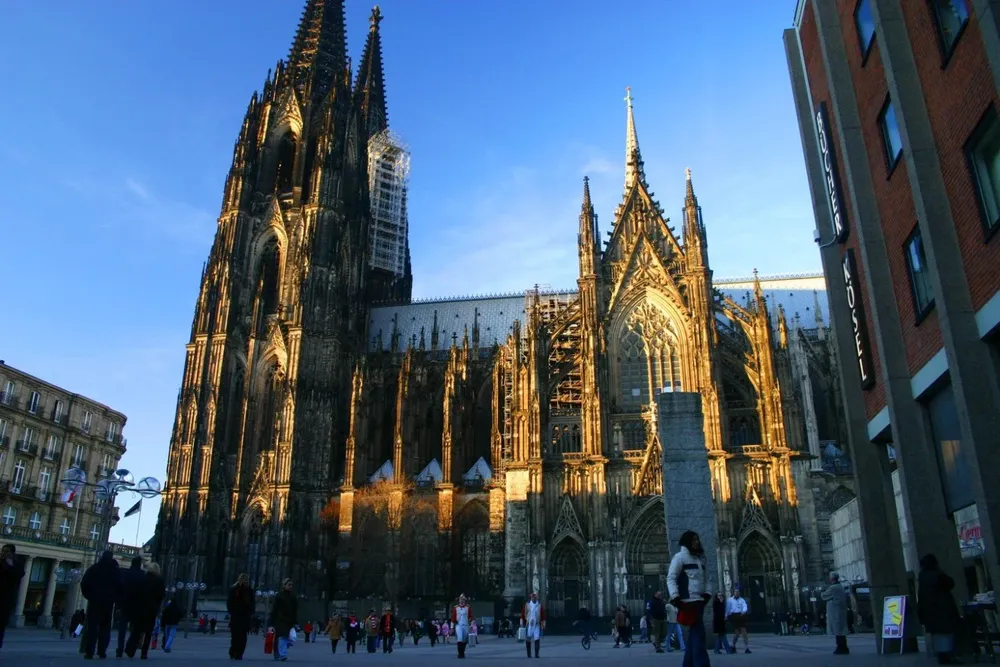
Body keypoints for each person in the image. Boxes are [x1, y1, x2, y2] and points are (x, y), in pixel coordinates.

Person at [667, 530, 712, 667]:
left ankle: (688, 664)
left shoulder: (700, 559)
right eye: (693, 540)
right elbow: (671, 578)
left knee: (694, 635)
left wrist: (708, 594)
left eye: (697, 539)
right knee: (699, 635)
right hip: (688, 602)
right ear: (687, 542)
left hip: (699, 601)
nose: (697, 542)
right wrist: (675, 597)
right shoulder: (679, 557)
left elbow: (708, 578)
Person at [917, 554, 962, 665]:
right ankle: (950, 656)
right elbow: (950, 583)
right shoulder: (939, 575)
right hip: (943, 609)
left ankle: (942, 656)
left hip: (930, 612)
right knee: (948, 633)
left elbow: (922, 596)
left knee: (937, 634)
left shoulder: (922, 577)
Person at [81, 550, 123, 660]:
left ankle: (89, 651)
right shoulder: (115, 571)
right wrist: (115, 599)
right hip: (108, 603)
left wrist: (89, 596)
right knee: (105, 627)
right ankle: (102, 651)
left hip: (94, 601)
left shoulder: (94, 569)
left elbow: (84, 583)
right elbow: (120, 587)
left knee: (92, 627)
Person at [125, 562, 165, 659]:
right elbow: (161, 595)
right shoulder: (159, 580)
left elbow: (135, 593)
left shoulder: (142, 579)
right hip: (151, 609)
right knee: (148, 632)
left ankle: (130, 650)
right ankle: (144, 653)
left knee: (137, 630)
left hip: (139, 608)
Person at [116, 556, 146, 658]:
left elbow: (120, 588)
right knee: (135, 629)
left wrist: (119, 604)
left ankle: (120, 649)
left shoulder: (126, 574)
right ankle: (130, 649)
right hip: (137, 606)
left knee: (122, 629)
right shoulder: (142, 575)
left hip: (125, 604)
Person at [0, 544, 24, 650]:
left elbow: (18, 576)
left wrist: (10, 566)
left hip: (5, 600)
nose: (3, 553)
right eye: (2, 551)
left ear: (12, 553)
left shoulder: (16, 565)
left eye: (6, 551)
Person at [268, 578, 298, 661]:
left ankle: (279, 652)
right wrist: (271, 621)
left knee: (290, 638)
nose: (290, 586)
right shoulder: (279, 596)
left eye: (291, 585)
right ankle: (282, 654)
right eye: (289, 585)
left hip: (290, 620)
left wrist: (295, 621)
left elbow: (295, 609)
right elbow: (275, 609)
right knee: (282, 637)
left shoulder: (293, 596)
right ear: (284, 585)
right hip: (280, 620)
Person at [227, 573, 256, 660]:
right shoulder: (234, 589)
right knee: (235, 636)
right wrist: (231, 611)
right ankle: (233, 651)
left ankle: (239, 653)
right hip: (236, 615)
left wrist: (251, 611)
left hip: (245, 616)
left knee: (243, 636)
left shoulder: (249, 590)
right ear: (239, 579)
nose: (244, 581)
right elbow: (230, 602)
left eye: (246, 579)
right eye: (242, 579)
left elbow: (252, 602)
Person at [820, 572, 849, 655]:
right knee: (841, 630)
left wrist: (821, 591)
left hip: (836, 612)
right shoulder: (840, 586)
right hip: (839, 611)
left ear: (832, 579)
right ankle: (843, 647)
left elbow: (824, 596)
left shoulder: (833, 587)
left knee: (838, 630)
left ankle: (841, 647)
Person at [726, 586, 750, 654]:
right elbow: (727, 609)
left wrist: (744, 611)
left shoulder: (742, 600)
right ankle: (733, 646)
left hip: (741, 615)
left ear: (739, 593)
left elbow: (745, 606)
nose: (737, 593)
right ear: (734, 592)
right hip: (733, 616)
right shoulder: (730, 600)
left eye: (738, 592)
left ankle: (746, 648)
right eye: (735, 591)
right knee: (737, 633)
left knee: (744, 631)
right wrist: (726, 616)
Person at [521, 591, 545, 658]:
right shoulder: (527, 605)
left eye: (535, 596)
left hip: (537, 624)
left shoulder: (540, 605)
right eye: (533, 596)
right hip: (529, 624)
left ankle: (536, 654)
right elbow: (523, 615)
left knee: (537, 638)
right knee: (528, 639)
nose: (534, 597)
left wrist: (543, 625)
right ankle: (529, 654)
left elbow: (543, 616)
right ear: (531, 597)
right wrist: (522, 623)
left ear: (537, 597)